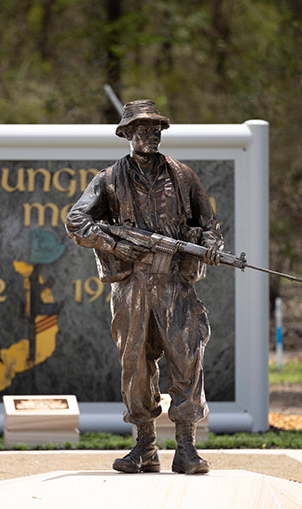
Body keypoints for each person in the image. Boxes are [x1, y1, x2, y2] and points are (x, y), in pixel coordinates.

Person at [65, 100, 223, 475]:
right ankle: (145, 446)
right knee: (135, 362)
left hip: (176, 283)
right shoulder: (108, 179)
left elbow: (209, 223)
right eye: (142, 129)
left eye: (156, 129)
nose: (150, 135)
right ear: (127, 134)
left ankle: (187, 448)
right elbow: (76, 220)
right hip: (132, 284)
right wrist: (115, 244)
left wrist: (213, 246)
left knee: (186, 359)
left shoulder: (182, 175)